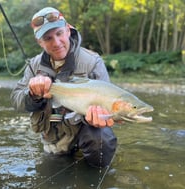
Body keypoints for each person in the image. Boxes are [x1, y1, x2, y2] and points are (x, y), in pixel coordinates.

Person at [10, 7, 117, 168]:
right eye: (48, 38)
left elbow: (109, 98)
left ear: (68, 30)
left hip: (85, 132)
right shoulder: (33, 66)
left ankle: (94, 168)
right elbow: (16, 100)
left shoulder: (92, 62)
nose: (56, 43)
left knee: (101, 139)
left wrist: (101, 117)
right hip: (53, 140)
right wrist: (32, 94)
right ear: (40, 42)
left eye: (59, 33)